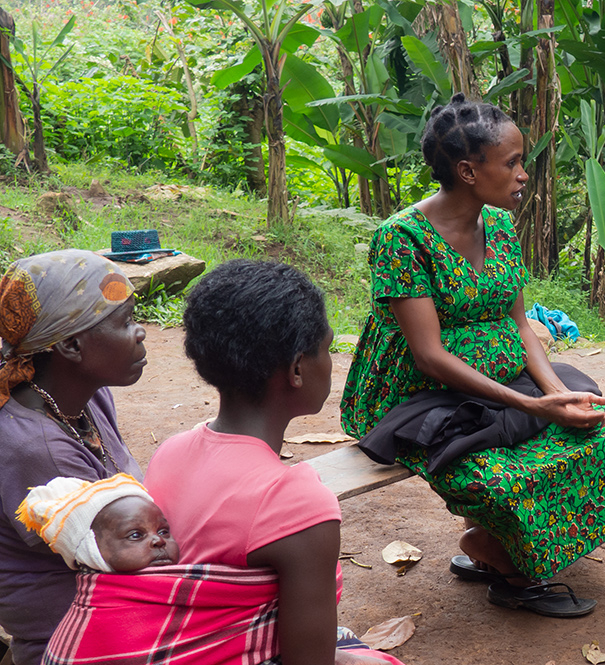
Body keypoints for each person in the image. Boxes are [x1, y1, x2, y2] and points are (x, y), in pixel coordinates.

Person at [340, 94, 605, 618]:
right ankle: (505, 561)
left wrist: (558, 392)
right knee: (496, 474)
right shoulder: (401, 239)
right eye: (511, 162)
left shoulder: (502, 226)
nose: (523, 174)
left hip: (507, 375)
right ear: (468, 170)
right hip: (422, 396)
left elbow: (518, 323)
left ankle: (499, 545)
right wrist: (530, 406)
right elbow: (429, 355)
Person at [147, 260, 397, 665]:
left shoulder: (171, 451)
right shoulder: (296, 503)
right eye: (327, 348)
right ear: (297, 368)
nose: (331, 363)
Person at [0, 250, 145, 665]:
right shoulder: (38, 450)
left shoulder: (88, 395)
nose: (141, 333)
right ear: (71, 345)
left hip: (112, 624)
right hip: (79, 646)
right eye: (127, 321)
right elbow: (132, 564)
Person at [17, 474, 176, 573]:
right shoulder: (98, 614)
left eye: (163, 531)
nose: (159, 541)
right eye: (135, 535)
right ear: (92, 551)